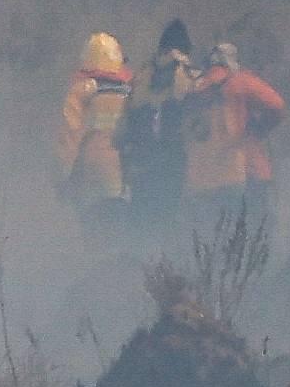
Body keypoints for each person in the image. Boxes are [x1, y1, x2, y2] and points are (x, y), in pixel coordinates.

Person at [121, 20, 200, 235]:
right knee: (168, 225)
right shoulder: (189, 76)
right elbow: (194, 123)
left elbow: (125, 122)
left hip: (141, 163)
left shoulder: (142, 75)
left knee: (140, 226)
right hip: (173, 163)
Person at [187, 40, 286, 200]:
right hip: (248, 171)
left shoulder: (195, 90)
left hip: (204, 181)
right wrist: (259, 129)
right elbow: (277, 106)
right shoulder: (242, 82)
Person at [56, 32, 132, 221]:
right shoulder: (132, 93)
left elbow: (69, 138)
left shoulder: (81, 91)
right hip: (124, 184)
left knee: (95, 238)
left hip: (91, 185)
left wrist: (61, 176)